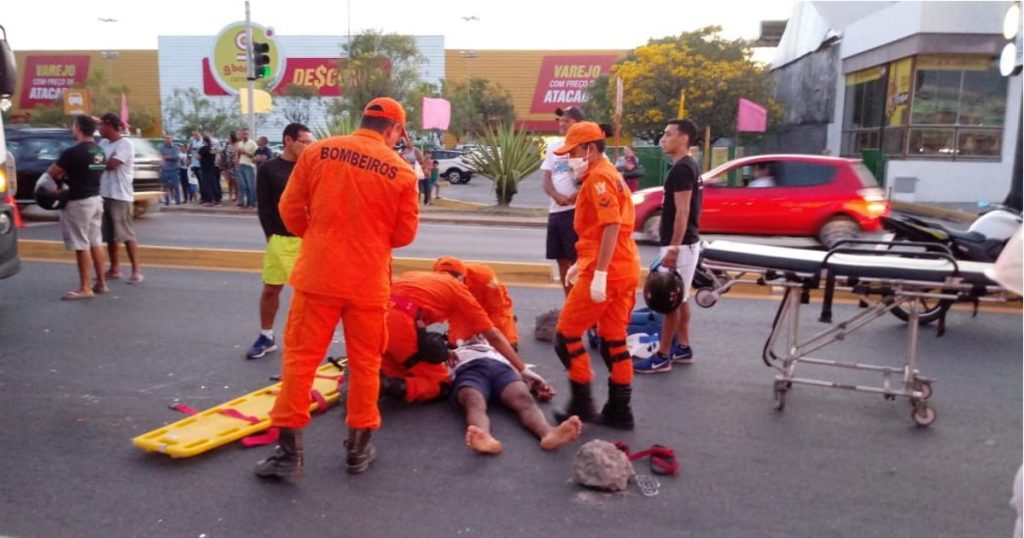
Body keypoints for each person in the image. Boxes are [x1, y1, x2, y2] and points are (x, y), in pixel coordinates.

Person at [254, 97, 419, 480]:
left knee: (300, 361)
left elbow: (290, 210)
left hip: (319, 276)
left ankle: (288, 454)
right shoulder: (401, 171)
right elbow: (404, 234)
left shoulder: (319, 152)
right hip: (368, 282)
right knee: (366, 365)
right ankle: (358, 450)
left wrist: (318, 237)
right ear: (393, 130)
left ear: (363, 120)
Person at [551, 121, 641, 430]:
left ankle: (582, 402)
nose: (568, 158)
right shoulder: (607, 174)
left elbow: (611, 225)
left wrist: (599, 271)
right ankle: (620, 410)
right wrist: (584, 261)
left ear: (589, 149)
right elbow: (600, 230)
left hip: (609, 269)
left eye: (573, 152)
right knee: (613, 341)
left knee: (566, 335)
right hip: (624, 267)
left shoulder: (599, 179)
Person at [380, 270, 524, 405]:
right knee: (440, 383)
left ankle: (373, 384)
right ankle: (385, 386)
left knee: (399, 371)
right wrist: (522, 369)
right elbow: (494, 336)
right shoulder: (457, 289)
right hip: (400, 325)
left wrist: (444, 351)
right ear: (461, 278)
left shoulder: (412, 276)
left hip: (377, 320)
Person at [634, 118, 704, 374]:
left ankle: (662, 356)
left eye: (669, 134)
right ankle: (683, 346)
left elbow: (683, 212)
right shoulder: (687, 166)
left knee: (670, 300)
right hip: (684, 243)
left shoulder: (682, 169)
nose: (664, 139)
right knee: (682, 297)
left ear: (683, 138)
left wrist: (673, 248)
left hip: (681, 245)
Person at [246, 123, 315, 360]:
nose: (307, 147)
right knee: (270, 289)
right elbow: (264, 207)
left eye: (310, 142)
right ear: (288, 140)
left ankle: (305, 345)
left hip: (307, 241)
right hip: (280, 239)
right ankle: (266, 336)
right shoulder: (269, 169)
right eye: (303, 142)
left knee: (309, 298)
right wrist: (270, 236)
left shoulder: (313, 167)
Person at [448, 336, 582, 455]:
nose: (473, 335)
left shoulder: (496, 348)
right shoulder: (450, 352)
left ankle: (547, 433)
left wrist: (534, 386)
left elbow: (517, 368)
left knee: (523, 397)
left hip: (500, 370)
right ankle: (484, 436)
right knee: (474, 401)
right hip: (468, 372)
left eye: (478, 334)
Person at [46, 115, 107, 300]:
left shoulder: (72, 152)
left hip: (78, 201)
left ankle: (85, 287)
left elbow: (52, 172)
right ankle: (101, 283)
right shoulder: (99, 150)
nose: (72, 129)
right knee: (95, 241)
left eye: (74, 126)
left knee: (81, 244)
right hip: (96, 199)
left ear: (79, 128)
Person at [433, 256, 519, 349]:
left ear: (463, 276)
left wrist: (489, 332)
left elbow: (498, 309)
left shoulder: (484, 276)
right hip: (464, 309)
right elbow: (451, 312)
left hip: (488, 304)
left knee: (507, 346)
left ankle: (510, 321)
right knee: (456, 345)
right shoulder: (437, 283)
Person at [542, 106, 584, 296]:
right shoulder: (553, 147)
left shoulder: (586, 146)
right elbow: (546, 178)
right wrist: (555, 195)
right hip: (556, 211)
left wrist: (576, 196)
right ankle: (569, 300)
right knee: (560, 258)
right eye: (561, 120)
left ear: (578, 124)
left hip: (576, 211)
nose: (562, 123)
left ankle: (578, 302)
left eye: (567, 120)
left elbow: (595, 177)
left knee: (576, 259)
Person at [97, 113, 143, 284]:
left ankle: (136, 271)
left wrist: (98, 161)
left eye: (102, 125)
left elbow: (111, 165)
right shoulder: (102, 143)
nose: (100, 129)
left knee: (126, 234)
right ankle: (114, 268)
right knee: (109, 235)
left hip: (120, 195)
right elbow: (95, 161)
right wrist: (98, 161)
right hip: (104, 192)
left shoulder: (125, 144)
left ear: (110, 126)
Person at [237, 128, 258, 208]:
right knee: (242, 185)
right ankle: (241, 203)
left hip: (249, 166)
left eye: (246, 134)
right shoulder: (240, 143)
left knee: (250, 185)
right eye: (243, 134)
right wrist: (237, 160)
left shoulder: (253, 144)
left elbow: (255, 156)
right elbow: (238, 153)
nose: (245, 135)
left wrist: (246, 152)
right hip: (241, 165)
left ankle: (252, 203)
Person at [197, 135, 221, 206]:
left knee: (206, 184)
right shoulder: (213, 148)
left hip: (205, 169)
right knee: (214, 184)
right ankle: (217, 200)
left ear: (204, 141)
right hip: (212, 168)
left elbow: (198, 157)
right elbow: (216, 155)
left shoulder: (203, 148)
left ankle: (209, 201)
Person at [158, 134, 181, 206]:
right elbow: (160, 158)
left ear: (172, 139)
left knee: (175, 185)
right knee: (165, 186)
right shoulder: (161, 148)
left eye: (169, 138)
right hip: (164, 169)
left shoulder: (175, 148)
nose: (167, 140)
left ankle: (177, 201)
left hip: (174, 169)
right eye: (166, 138)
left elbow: (176, 157)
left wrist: (165, 157)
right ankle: (167, 201)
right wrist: (168, 158)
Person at [221, 131, 240, 204]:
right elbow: (224, 155)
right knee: (230, 181)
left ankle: (237, 196)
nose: (228, 139)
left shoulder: (236, 145)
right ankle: (230, 195)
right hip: (228, 165)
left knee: (236, 182)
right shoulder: (227, 145)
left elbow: (236, 155)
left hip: (234, 166)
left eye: (229, 137)